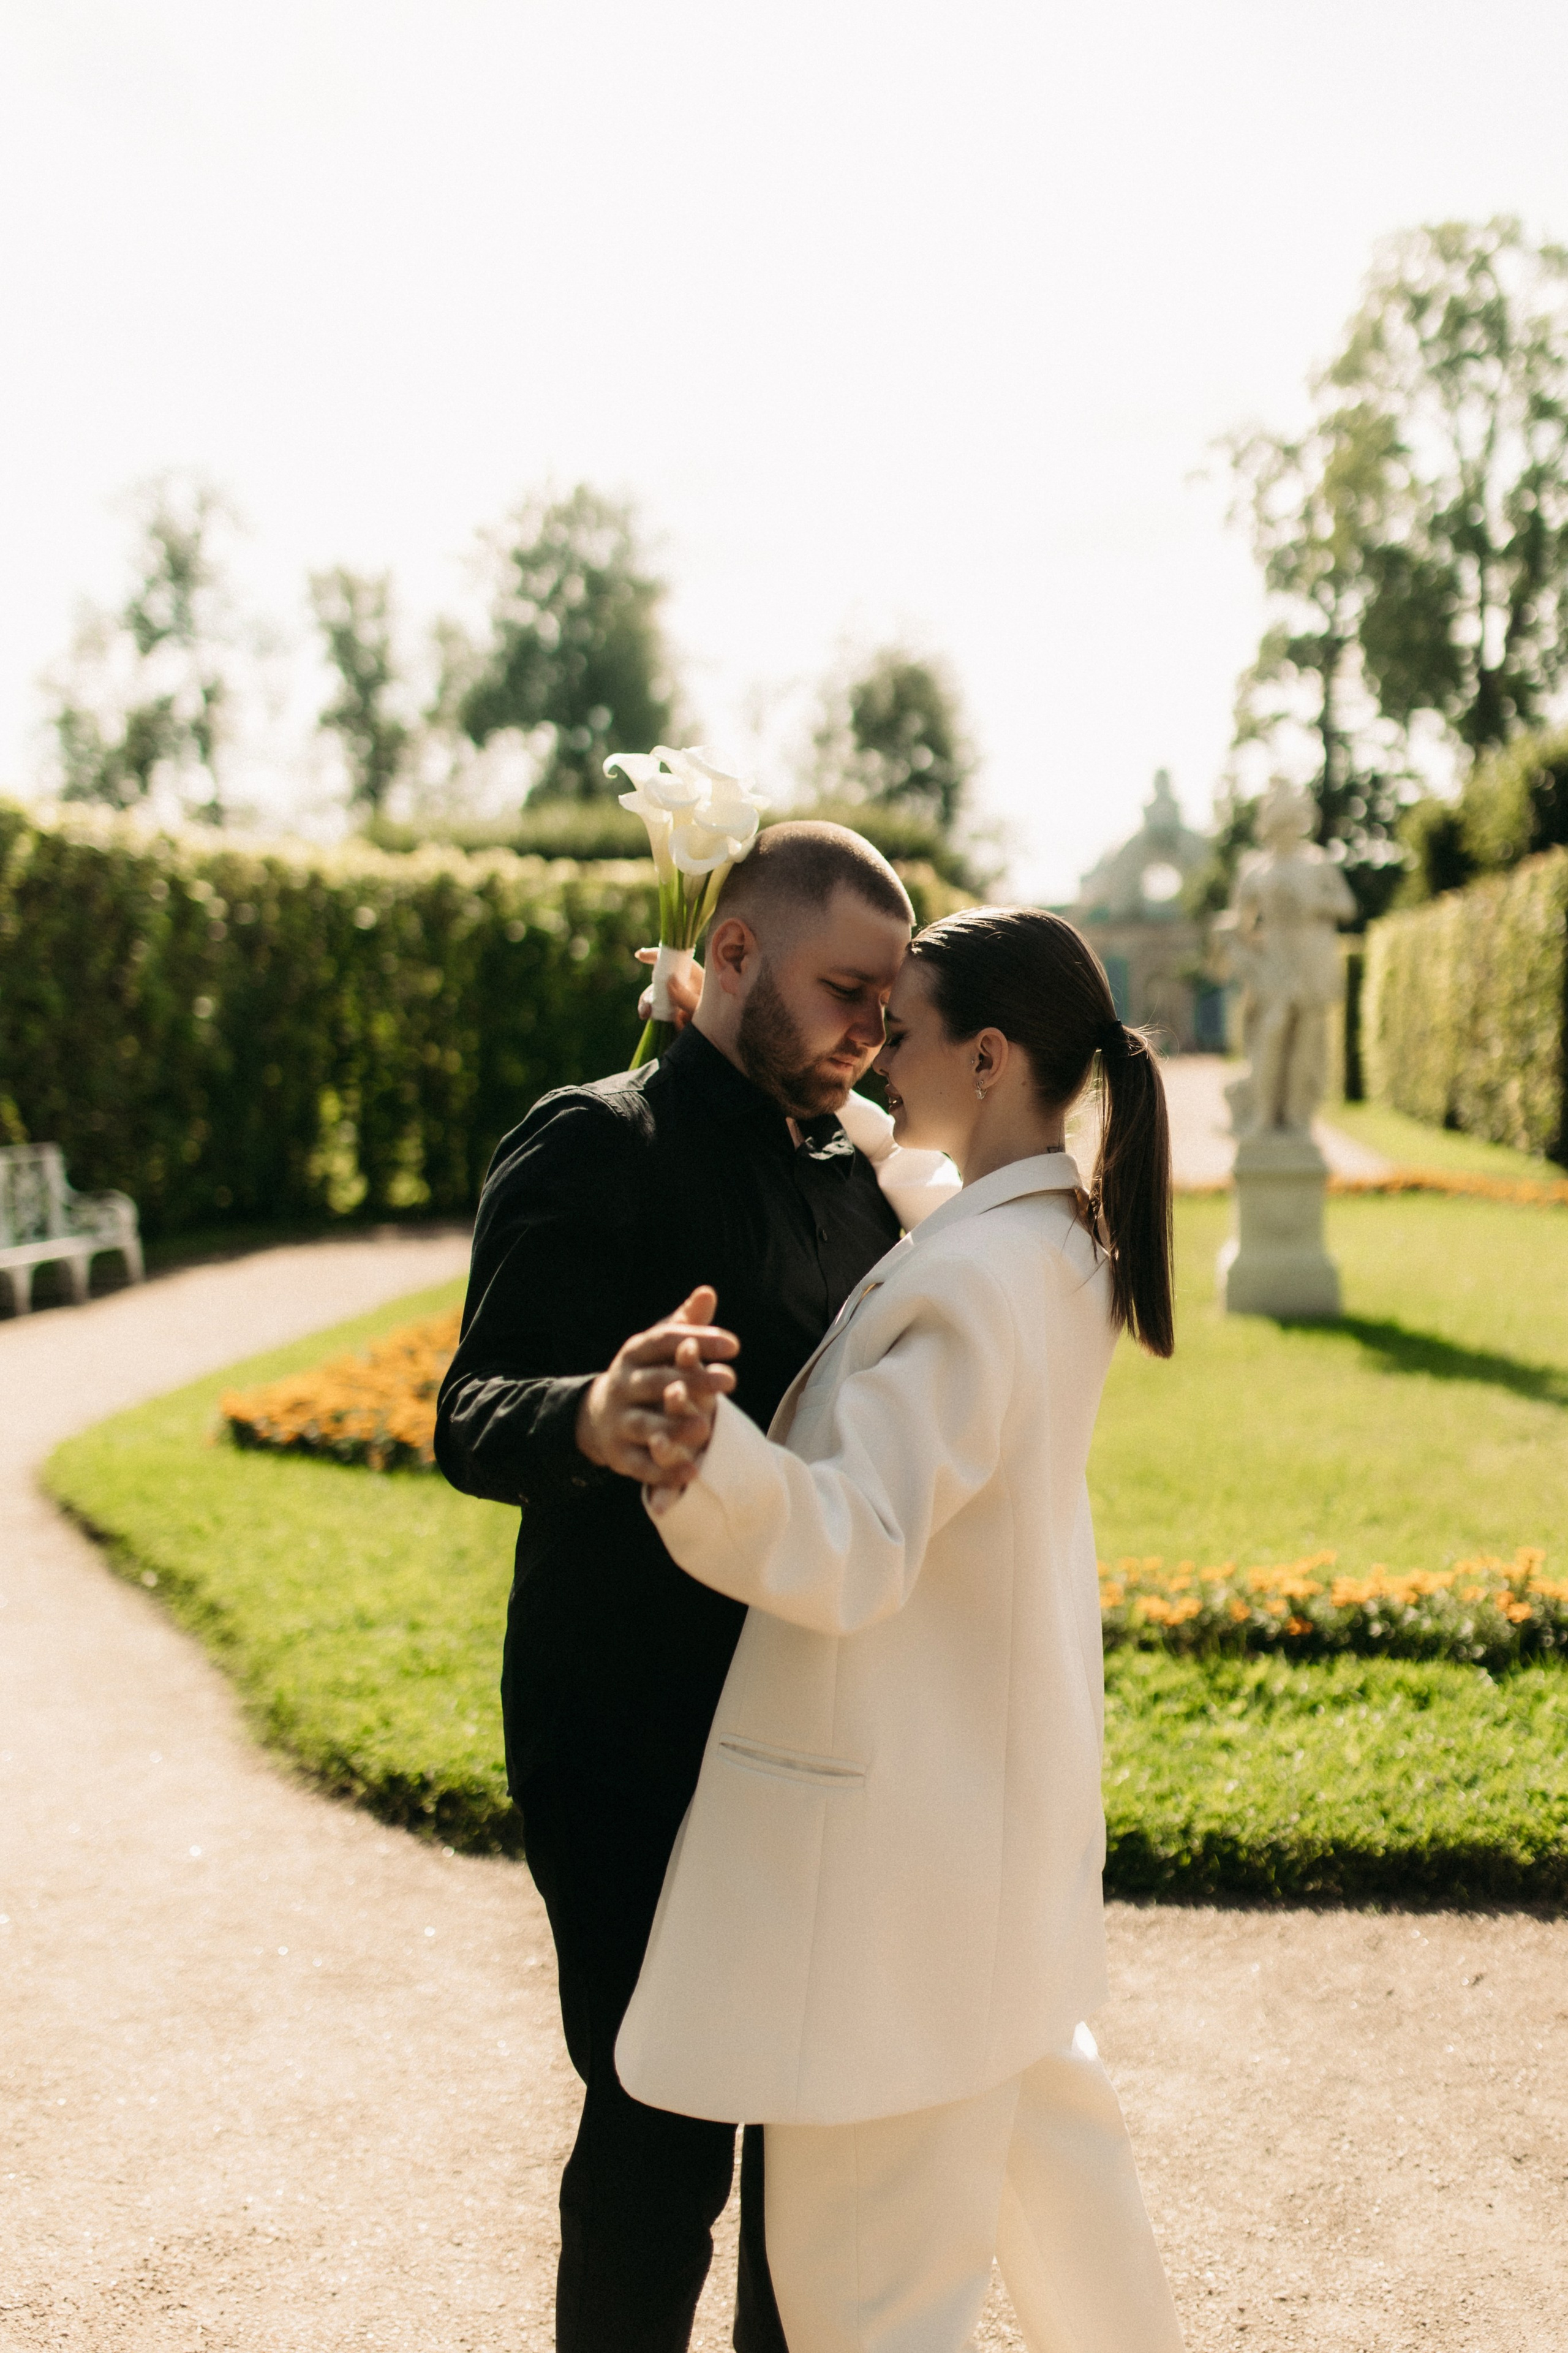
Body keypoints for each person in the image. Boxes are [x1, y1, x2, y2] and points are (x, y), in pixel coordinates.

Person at [618, 906, 1187, 2352]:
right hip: (1001, 1870)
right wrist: (847, 1109)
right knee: (1076, 2241)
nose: (874, 1039)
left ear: (986, 1057)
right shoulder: (1054, 1237)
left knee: (867, 2302)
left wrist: (700, 1450)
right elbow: (936, 1179)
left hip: (894, 1898)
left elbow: (854, 1545)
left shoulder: (965, 1288)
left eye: (905, 1026)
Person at [434, 821, 956, 2353]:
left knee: (809, 2134)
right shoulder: (592, 1137)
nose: (872, 1028)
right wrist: (595, 1414)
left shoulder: (858, 1173)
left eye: (886, 1000)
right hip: (627, 1725)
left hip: (813, 1728)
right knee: (658, 2121)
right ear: (731, 954)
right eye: (843, 989)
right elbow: (468, 1412)